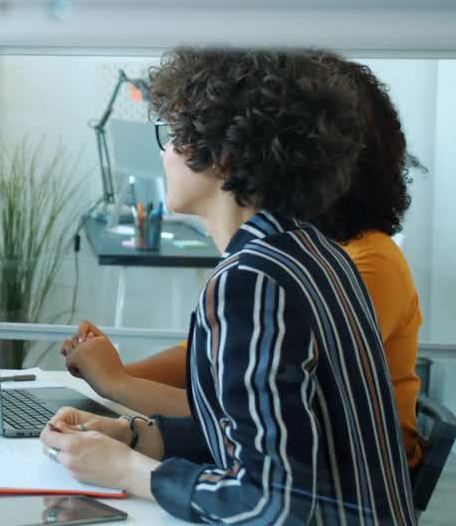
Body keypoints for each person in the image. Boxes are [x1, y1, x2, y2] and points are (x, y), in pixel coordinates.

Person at [42, 48, 415, 524]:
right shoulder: (316, 253)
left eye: (175, 137)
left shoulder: (252, 281)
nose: (164, 152)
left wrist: (127, 470)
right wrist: (132, 435)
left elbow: (268, 501)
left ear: (224, 154)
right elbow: (259, 437)